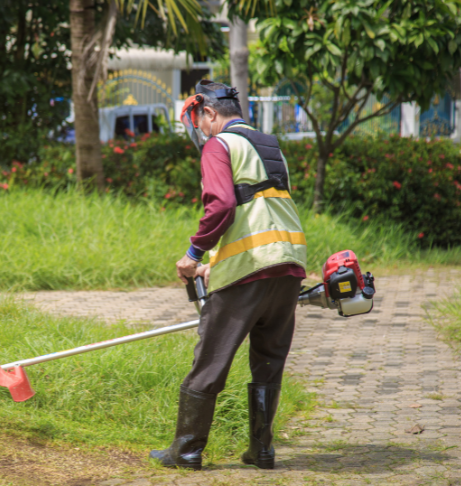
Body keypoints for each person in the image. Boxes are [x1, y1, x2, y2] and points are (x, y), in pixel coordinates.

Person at [149, 80, 307, 470]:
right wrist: (216, 259)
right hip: (287, 265)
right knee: (269, 361)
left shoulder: (219, 145)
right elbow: (259, 207)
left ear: (210, 113)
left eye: (200, 121)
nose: (200, 130)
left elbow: (221, 207)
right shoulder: (268, 144)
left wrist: (194, 254)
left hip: (249, 272)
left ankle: (186, 450)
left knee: (211, 360)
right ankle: (262, 450)